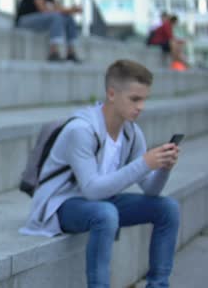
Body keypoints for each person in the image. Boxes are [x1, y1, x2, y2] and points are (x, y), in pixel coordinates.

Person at [21, 60, 181, 288]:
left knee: (168, 208)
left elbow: (152, 190)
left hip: (101, 201)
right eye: (135, 99)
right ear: (112, 94)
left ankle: (158, 285)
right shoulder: (81, 130)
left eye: (144, 99)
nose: (141, 106)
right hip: (60, 204)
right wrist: (144, 163)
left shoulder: (131, 132)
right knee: (105, 214)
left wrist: (164, 167)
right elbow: (92, 190)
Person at [16, 0, 82, 62]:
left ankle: (71, 52)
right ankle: (53, 52)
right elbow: (43, 9)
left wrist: (71, 10)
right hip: (24, 20)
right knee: (57, 17)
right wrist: (67, 10)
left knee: (68, 18)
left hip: (39, 20)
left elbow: (58, 8)